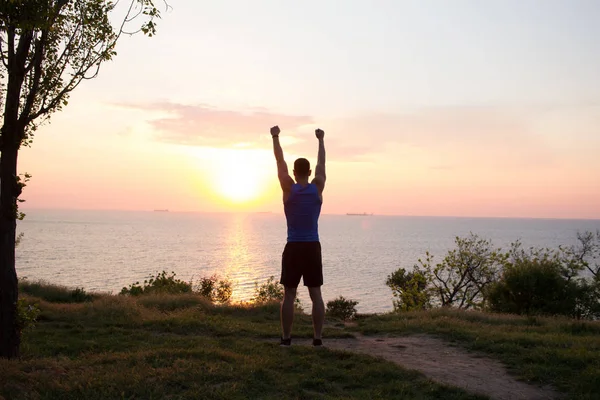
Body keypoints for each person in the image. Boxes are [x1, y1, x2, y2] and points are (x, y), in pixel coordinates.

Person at [270, 125, 326, 347]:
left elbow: (279, 161)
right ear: (309, 172)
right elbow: (322, 163)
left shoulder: (287, 189)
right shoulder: (317, 188)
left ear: (294, 173)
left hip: (293, 247)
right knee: (316, 294)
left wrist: (275, 136)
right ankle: (318, 339)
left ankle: (286, 339)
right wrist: (321, 140)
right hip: (312, 246)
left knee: (289, 295)